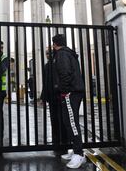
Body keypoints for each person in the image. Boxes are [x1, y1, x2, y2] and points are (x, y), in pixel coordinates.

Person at [51, 34, 86, 169]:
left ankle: (79, 154)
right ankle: (76, 150)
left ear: (55, 44)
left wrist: (64, 90)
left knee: (71, 122)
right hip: (73, 91)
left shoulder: (62, 55)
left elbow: (65, 74)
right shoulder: (67, 53)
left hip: (71, 92)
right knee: (69, 121)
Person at [40, 48, 67, 152]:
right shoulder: (46, 66)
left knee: (62, 119)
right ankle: (56, 141)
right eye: (46, 53)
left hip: (59, 95)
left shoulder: (58, 64)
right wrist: (43, 97)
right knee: (54, 119)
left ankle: (63, 141)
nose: (48, 55)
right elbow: (45, 83)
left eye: (50, 53)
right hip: (51, 97)